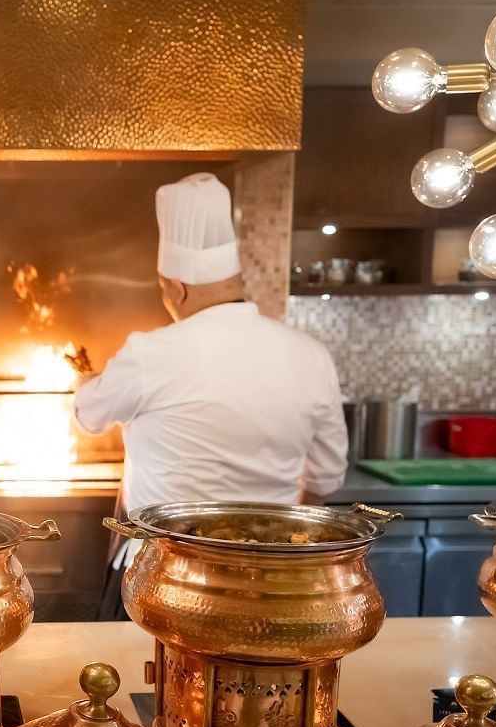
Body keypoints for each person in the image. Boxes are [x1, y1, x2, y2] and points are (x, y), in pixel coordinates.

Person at [73, 172, 348, 619]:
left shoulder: (151, 352)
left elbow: (88, 416)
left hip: (162, 579)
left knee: (145, 686)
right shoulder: (311, 356)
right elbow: (325, 480)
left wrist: (86, 381)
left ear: (176, 288)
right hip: (267, 585)